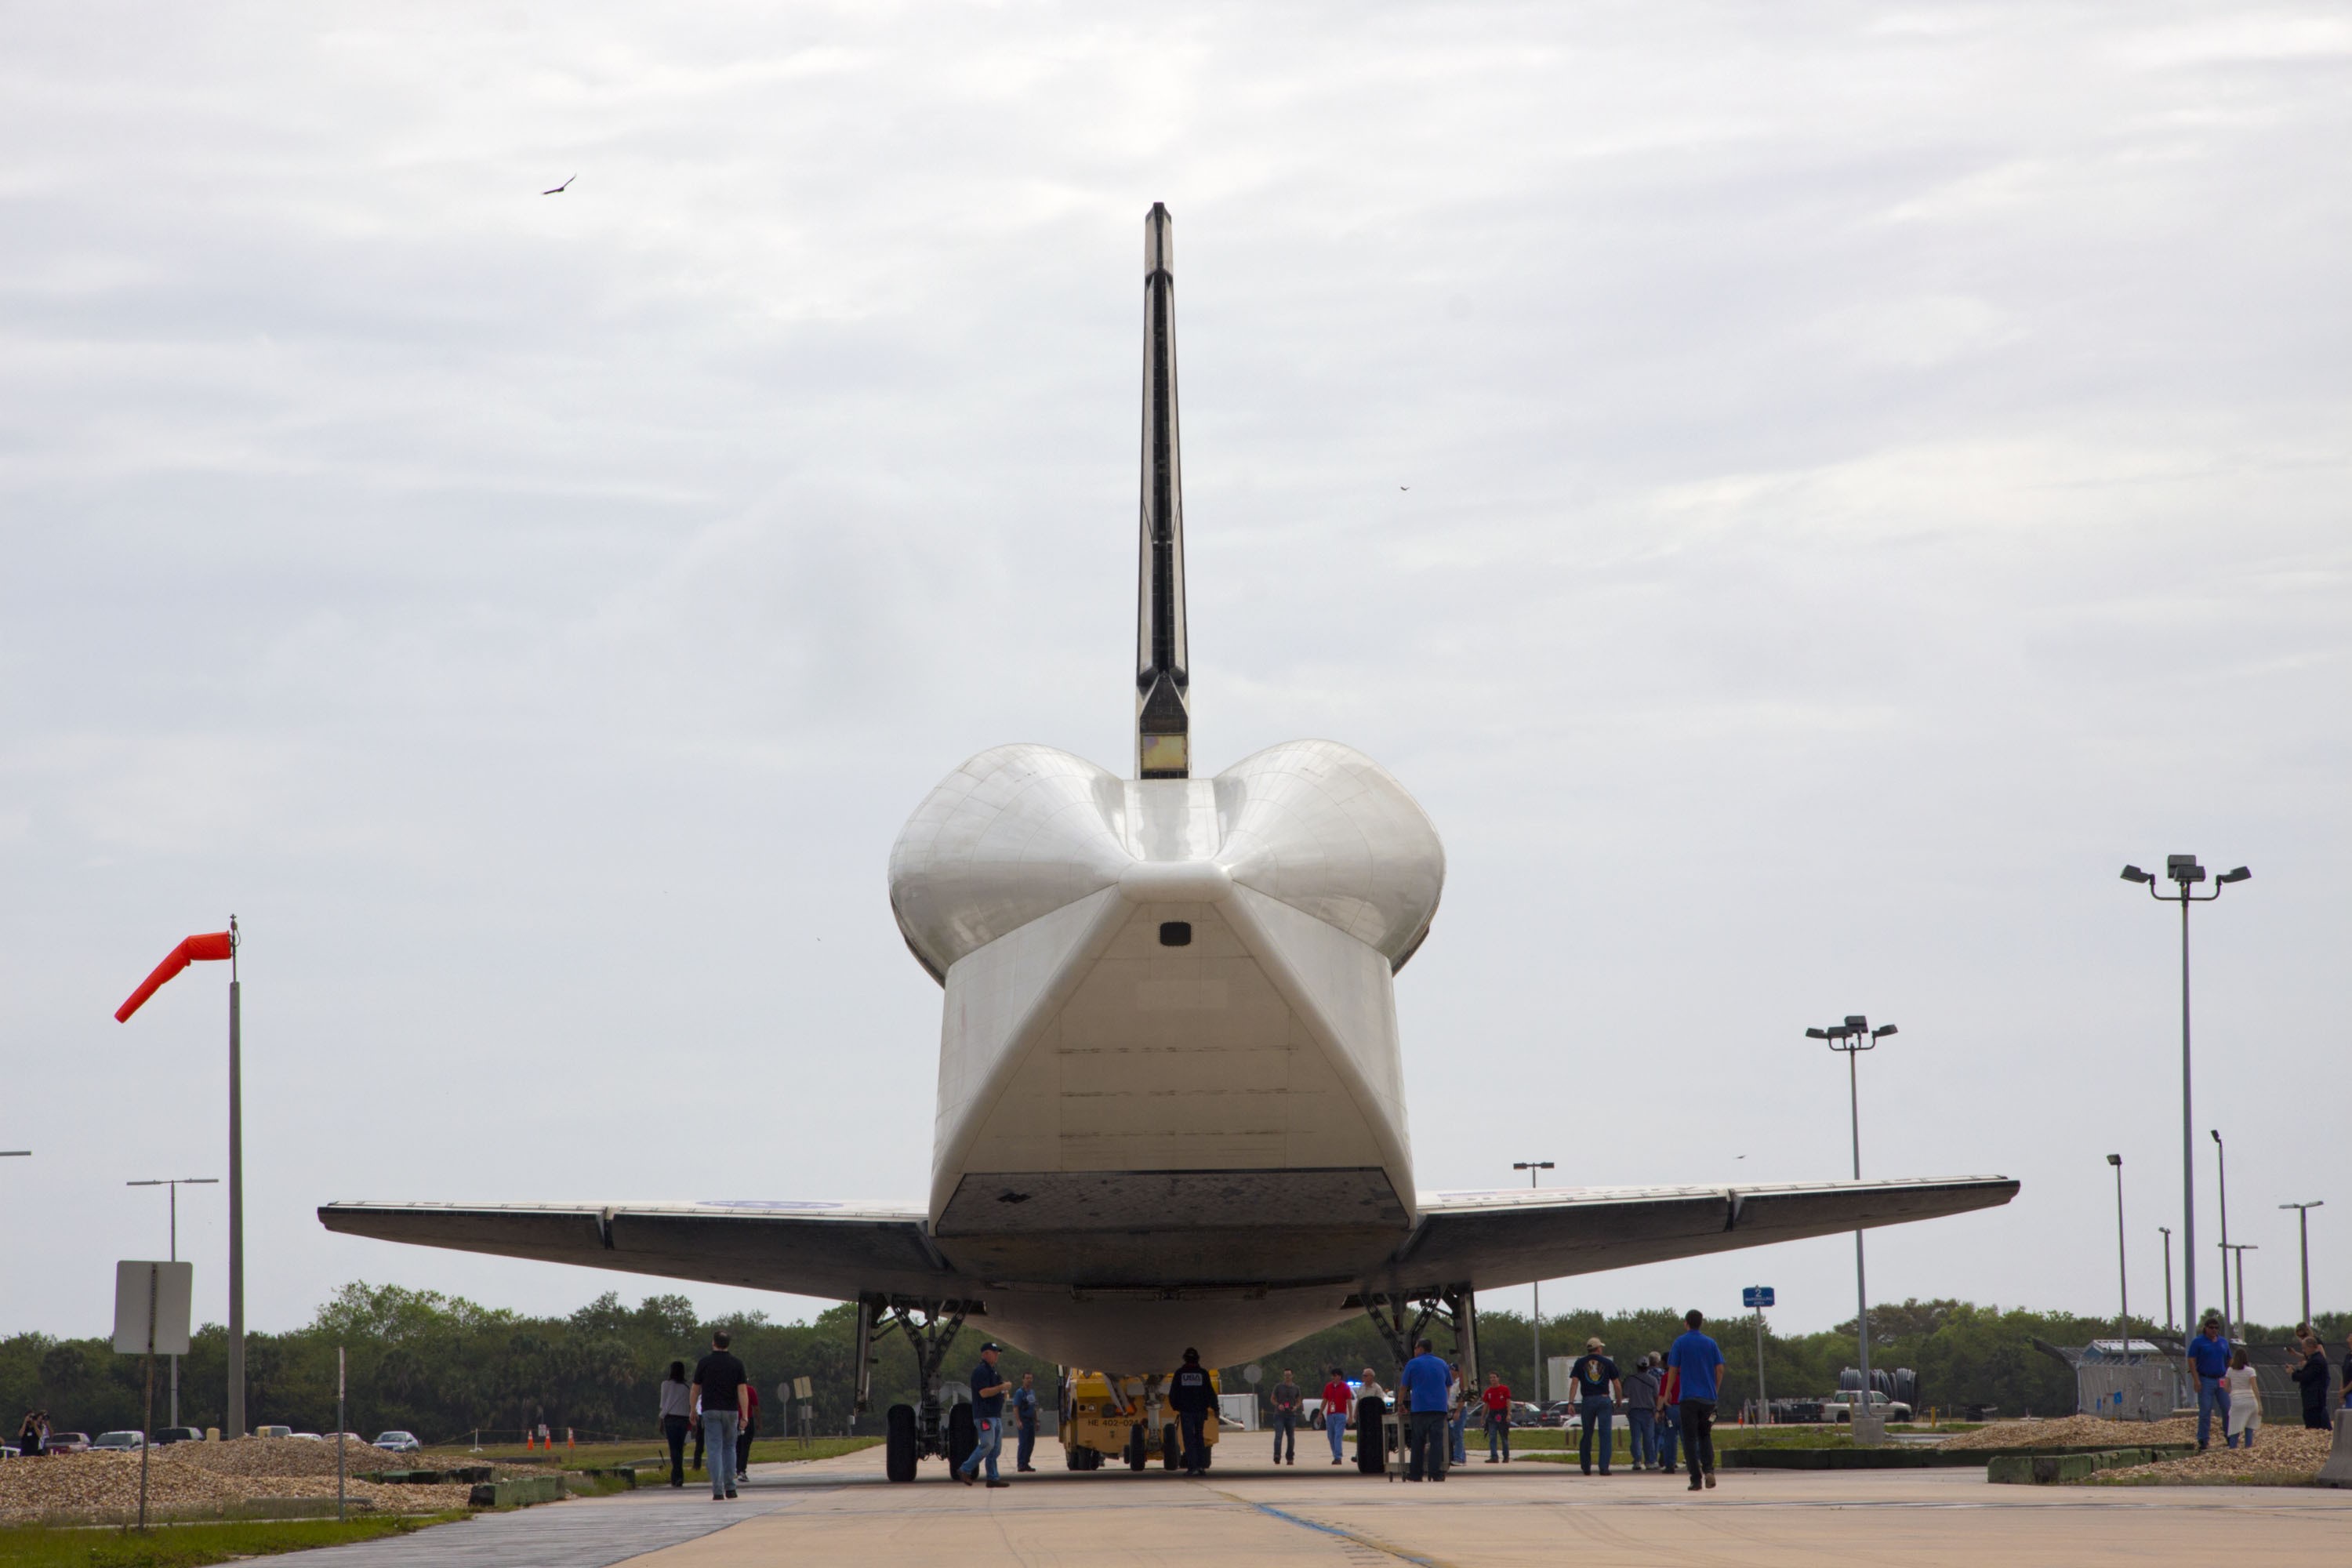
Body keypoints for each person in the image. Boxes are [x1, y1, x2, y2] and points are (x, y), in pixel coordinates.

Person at [1666, 1309, 1725, 1492]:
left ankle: (1696, 1479)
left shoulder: (1680, 1342)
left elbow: (1673, 1369)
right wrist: (1714, 1390)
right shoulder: (1711, 1343)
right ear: (1701, 1323)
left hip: (1688, 1398)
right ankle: (1709, 1470)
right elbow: (1720, 1369)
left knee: (1690, 1439)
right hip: (1708, 1399)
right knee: (1705, 1435)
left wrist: (1668, 1392)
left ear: (1686, 1323)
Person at [691, 1330, 750, 1501]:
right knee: (730, 1448)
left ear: (713, 1343)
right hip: (731, 1411)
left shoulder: (704, 1363)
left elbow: (695, 1389)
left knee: (714, 1449)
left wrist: (692, 1409)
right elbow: (742, 1391)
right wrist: (745, 1415)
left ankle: (718, 1490)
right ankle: (730, 1488)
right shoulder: (737, 1364)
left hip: (710, 1411)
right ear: (728, 1344)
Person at [958, 1342, 1012, 1488]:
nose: (997, 1355)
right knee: (987, 1444)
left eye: (997, 1353)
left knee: (995, 1449)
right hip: (985, 1415)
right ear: (985, 1354)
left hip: (995, 1415)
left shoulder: (993, 1372)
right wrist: (1001, 1387)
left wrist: (1003, 1390)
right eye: (994, 1352)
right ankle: (965, 1469)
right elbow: (983, 1393)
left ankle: (993, 1478)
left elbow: (997, 1389)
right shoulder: (980, 1371)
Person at [1400, 1338, 1451, 1482]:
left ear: (1421, 1349)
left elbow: (1404, 1386)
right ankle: (1435, 1473)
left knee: (1418, 1442)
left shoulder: (1413, 1363)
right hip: (1439, 1409)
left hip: (1420, 1408)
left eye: (1416, 1348)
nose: (1415, 1351)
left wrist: (1400, 1404)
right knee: (1436, 1442)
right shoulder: (1442, 1363)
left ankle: (1416, 1474)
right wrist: (1444, 1402)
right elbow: (1448, 1385)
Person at [1572, 1337, 1621, 1475]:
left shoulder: (1580, 1363)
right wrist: (1619, 1399)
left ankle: (1586, 1466)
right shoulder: (1608, 1363)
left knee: (1587, 1434)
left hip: (1588, 1400)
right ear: (1598, 1348)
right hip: (1604, 1399)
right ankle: (1604, 1467)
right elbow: (1617, 1384)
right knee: (1605, 1434)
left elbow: (1574, 1383)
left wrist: (1570, 1402)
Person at [2187, 1311, 2232, 1451]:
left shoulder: (2223, 1342)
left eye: (2216, 1328)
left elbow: (2229, 1359)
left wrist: (2229, 1376)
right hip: (2205, 1379)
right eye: (2211, 1327)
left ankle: (2230, 1436)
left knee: (2227, 1408)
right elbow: (2191, 1360)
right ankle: (2203, 1439)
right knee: (2205, 1410)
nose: (2214, 1330)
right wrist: (2196, 1379)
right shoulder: (2198, 1342)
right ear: (2205, 1328)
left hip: (2221, 1379)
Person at [1169, 1348, 1217, 1475]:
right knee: (1199, 1438)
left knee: (1189, 1439)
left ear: (1185, 1359)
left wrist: (1176, 1406)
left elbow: (1173, 1392)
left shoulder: (1180, 1374)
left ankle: (1193, 1467)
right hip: (1200, 1411)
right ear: (1197, 1359)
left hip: (1186, 1411)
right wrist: (1215, 1408)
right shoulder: (1203, 1373)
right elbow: (1210, 1392)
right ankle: (1201, 1466)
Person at [658, 1361, 694, 1487]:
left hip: (670, 1419)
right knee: (680, 1448)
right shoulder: (687, 1387)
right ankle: (678, 1475)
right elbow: (689, 1405)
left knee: (673, 1448)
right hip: (683, 1419)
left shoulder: (665, 1384)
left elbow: (663, 1405)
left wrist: (661, 1421)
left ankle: (677, 1476)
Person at [1624, 1353, 1661, 1472]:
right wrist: (1658, 1410)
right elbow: (1656, 1396)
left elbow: (1626, 1393)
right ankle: (1650, 1461)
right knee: (1649, 1438)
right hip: (1648, 1412)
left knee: (1635, 1438)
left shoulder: (1631, 1379)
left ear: (1637, 1366)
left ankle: (1637, 1461)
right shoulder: (1653, 1380)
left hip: (1634, 1411)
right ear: (1648, 1367)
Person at [2290, 1330, 2331, 1430]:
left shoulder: (2317, 1360)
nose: (2303, 1351)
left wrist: (2293, 1373)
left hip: (2315, 1399)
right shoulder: (2313, 1359)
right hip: (2312, 1399)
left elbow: (2307, 1376)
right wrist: (2295, 1371)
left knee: (2315, 1423)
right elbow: (2307, 1373)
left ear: (2312, 1347)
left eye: (2304, 1348)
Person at [2223, 1348, 2260, 1450]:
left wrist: (2233, 1393)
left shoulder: (2230, 1370)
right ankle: (2248, 1448)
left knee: (2234, 1427)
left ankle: (2233, 1448)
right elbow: (2255, 1388)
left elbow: (2226, 1387)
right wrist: (2259, 1404)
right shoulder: (2250, 1371)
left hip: (2237, 1401)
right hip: (2251, 1400)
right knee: (2249, 1426)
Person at [1654, 1355, 1681, 1476]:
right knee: (1688, 1438)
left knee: (1670, 1437)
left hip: (1671, 1409)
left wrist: (1658, 1411)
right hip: (1686, 1409)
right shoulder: (1686, 1376)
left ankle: (1670, 1464)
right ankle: (1693, 1462)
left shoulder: (1666, 1377)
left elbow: (1662, 1396)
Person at [1321, 1368, 1354, 1465]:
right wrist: (1320, 1413)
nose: (1333, 1378)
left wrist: (1350, 1416)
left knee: (1338, 1436)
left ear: (1339, 1376)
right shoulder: (1328, 1386)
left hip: (1341, 1415)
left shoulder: (1345, 1387)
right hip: (1330, 1415)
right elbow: (1325, 1400)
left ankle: (1338, 1457)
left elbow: (1349, 1402)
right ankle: (1335, 1454)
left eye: (1335, 1376)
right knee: (1330, 1436)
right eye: (1332, 1376)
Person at [1269, 1370, 1301, 1465]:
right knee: (1278, 1436)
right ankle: (1277, 1456)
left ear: (1292, 1376)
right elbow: (1272, 1399)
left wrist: (1296, 1407)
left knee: (1291, 1437)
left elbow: (1299, 1400)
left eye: (1289, 1375)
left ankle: (1290, 1457)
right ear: (1284, 1376)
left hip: (1291, 1415)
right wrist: (1278, 1405)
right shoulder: (1278, 1387)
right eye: (1286, 1375)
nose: (1287, 1377)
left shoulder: (1296, 1388)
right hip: (1280, 1415)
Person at [1013, 1373, 1040, 1472]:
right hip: (1023, 1421)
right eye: (1027, 1378)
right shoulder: (1019, 1392)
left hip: (1031, 1421)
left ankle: (1026, 1463)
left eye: (1030, 1378)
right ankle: (1021, 1464)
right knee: (1023, 1443)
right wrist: (1018, 1421)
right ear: (1023, 1380)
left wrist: (1036, 1421)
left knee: (1030, 1444)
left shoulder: (1032, 1392)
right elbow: (1016, 1407)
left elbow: (1034, 1408)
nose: (1029, 1380)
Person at [1483, 1371, 1512, 1462]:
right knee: (1492, 1436)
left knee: (1504, 1437)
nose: (1493, 1379)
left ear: (1498, 1378)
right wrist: (1483, 1417)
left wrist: (1509, 1414)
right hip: (1492, 1415)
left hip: (1502, 1414)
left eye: (1494, 1377)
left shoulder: (1504, 1389)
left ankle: (1506, 1456)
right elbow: (1486, 1405)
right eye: (1491, 1378)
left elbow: (1508, 1402)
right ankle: (1494, 1457)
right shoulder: (1488, 1391)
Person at [737, 1379, 759, 1483]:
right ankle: (742, 1470)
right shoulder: (750, 1390)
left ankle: (737, 1469)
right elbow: (756, 1407)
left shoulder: (733, 1390)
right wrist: (759, 1421)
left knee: (736, 1446)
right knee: (745, 1446)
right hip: (747, 1420)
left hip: (734, 1420)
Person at [1447, 1362, 1469, 1466]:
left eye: (1451, 1369)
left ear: (1456, 1371)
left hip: (1459, 1410)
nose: (1449, 1371)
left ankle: (1459, 1458)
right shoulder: (1450, 1383)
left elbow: (1462, 1398)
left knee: (1458, 1434)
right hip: (1451, 1410)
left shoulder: (1460, 1383)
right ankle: (1462, 1457)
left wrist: (1458, 1412)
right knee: (1453, 1434)